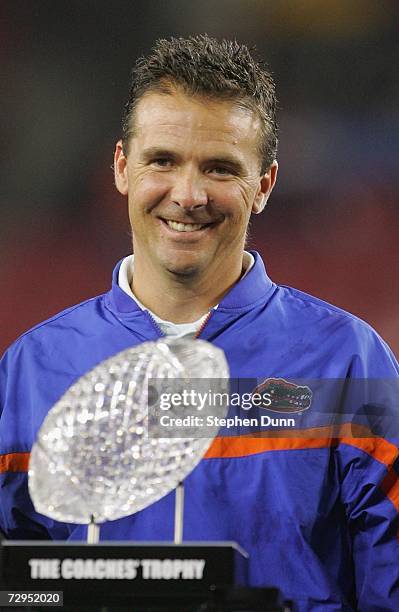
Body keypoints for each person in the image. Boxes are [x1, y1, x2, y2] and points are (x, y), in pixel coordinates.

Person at [0, 35, 398, 611]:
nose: (187, 195)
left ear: (263, 185)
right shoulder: (30, 370)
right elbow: (15, 588)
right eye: (162, 160)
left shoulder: (347, 361)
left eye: (219, 168)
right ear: (122, 167)